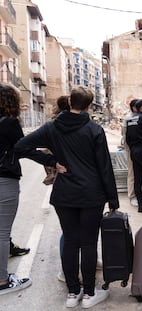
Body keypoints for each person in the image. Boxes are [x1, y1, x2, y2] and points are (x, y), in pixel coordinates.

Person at [14, 86, 118, 308]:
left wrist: (52, 162)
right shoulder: (94, 130)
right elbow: (105, 168)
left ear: (70, 102)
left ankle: (72, 293)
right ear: (89, 106)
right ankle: (89, 294)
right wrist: (113, 199)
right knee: (89, 243)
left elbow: (20, 146)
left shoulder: (53, 128)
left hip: (64, 194)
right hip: (92, 194)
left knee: (71, 241)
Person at [0, 82, 56, 296]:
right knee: (2, 232)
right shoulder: (9, 123)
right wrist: (52, 159)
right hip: (4, 178)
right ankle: (3, 281)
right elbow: (23, 149)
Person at [121, 99, 142, 207]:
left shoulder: (141, 117)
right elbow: (125, 135)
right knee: (133, 172)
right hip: (131, 148)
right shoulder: (128, 119)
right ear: (134, 108)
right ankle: (132, 196)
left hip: (141, 148)